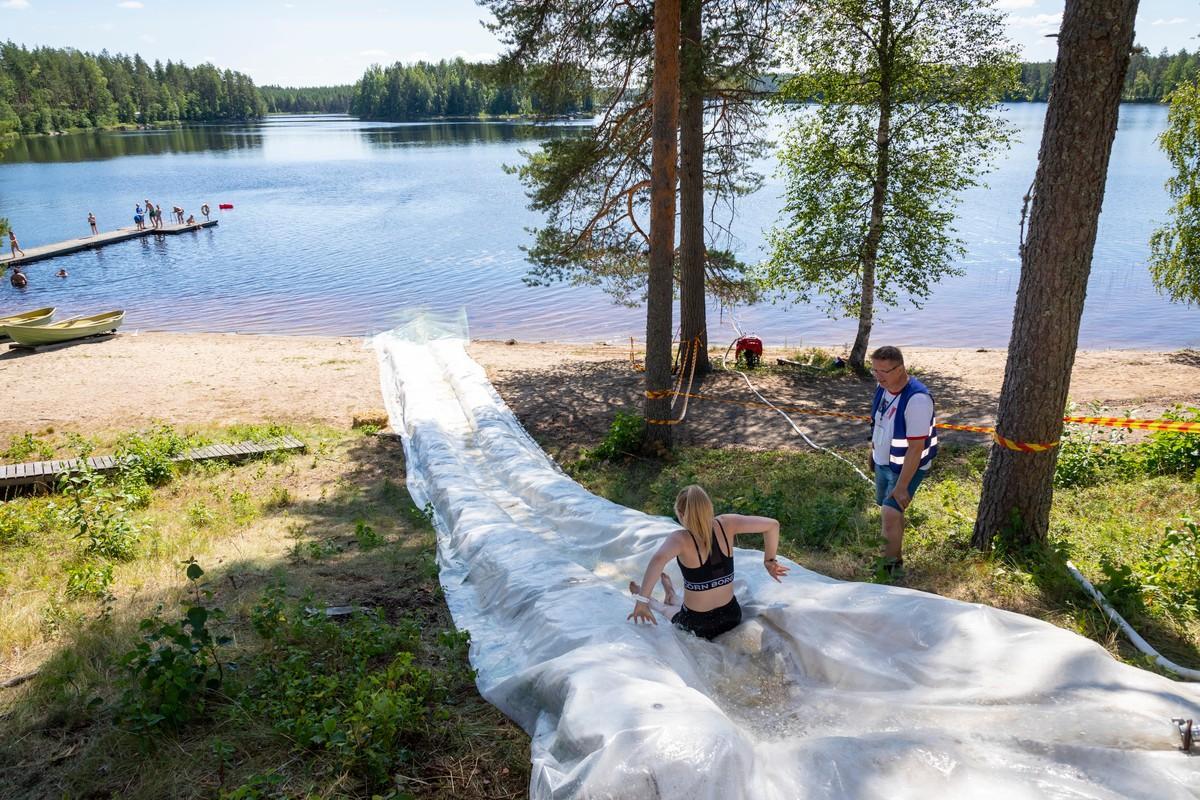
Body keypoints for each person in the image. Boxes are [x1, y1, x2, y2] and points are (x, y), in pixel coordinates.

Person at [628, 485, 788, 640]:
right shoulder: (727, 523)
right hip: (731, 616)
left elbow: (657, 560)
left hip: (699, 625)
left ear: (682, 515)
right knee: (688, 604)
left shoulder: (680, 539)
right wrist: (769, 560)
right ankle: (673, 597)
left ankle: (655, 602)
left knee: (666, 610)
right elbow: (772, 525)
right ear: (708, 508)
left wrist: (642, 601)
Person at [868, 345, 938, 579]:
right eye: (875, 370)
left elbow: (916, 448)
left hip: (905, 468)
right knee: (892, 515)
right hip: (883, 462)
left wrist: (901, 486)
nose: (878, 376)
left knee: (889, 514)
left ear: (901, 368)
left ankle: (887, 571)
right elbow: (879, 423)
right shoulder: (883, 387)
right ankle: (896, 560)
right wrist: (873, 452)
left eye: (884, 371)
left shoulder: (917, 400)